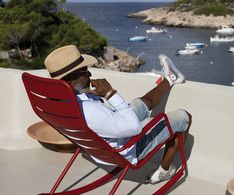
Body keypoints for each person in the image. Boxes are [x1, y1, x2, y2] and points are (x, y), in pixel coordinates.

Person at [44, 45, 192, 184]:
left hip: (102, 147)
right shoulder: (90, 111)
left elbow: (102, 118)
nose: (89, 73)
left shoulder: (59, 102)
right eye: (84, 72)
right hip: (128, 150)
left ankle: (169, 79)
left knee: (141, 103)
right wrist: (110, 93)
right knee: (184, 117)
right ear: (70, 80)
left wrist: (88, 92)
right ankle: (164, 172)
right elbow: (135, 128)